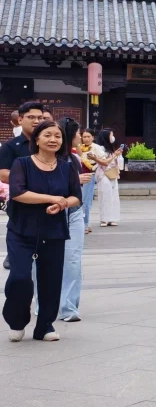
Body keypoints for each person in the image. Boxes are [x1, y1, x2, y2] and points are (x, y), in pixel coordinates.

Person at [3, 119, 82, 341]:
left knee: (51, 280)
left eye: (57, 136)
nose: (53, 139)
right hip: (21, 231)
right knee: (20, 278)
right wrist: (51, 198)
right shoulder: (22, 163)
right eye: (47, 135)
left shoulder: (67, 166)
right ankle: (17, 321)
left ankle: (45, 326)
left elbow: (77, 196)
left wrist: (64, 203)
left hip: (53, 230)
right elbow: (18, 192)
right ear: (36, 139)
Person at [58, 118, 94, 323]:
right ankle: (44, 303)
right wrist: (75, 181)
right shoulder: (48, 160)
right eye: (78, 133)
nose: (81, 137)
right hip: (54, 212)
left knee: (73, 260)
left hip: (74, 212)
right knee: (49, 261)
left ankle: (69, 307)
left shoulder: (75, 159)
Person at [0, 100, 48, 183]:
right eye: (31, 117)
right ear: (20, 120)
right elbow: (3, 175)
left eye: (40, 118)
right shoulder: (9, 146)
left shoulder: (49, 144)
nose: (36, 121)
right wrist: (36, 179)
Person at [89, 128, 123, 228]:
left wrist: (116, 154)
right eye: (111, 135)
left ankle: (112, 218)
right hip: (104, 175)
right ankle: (104, 219)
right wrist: (114, 156)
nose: (113, 137)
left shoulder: (110, 148)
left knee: (113, 196)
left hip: (112, 174)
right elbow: (104, 162)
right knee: (105, 196)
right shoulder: (100, 148)